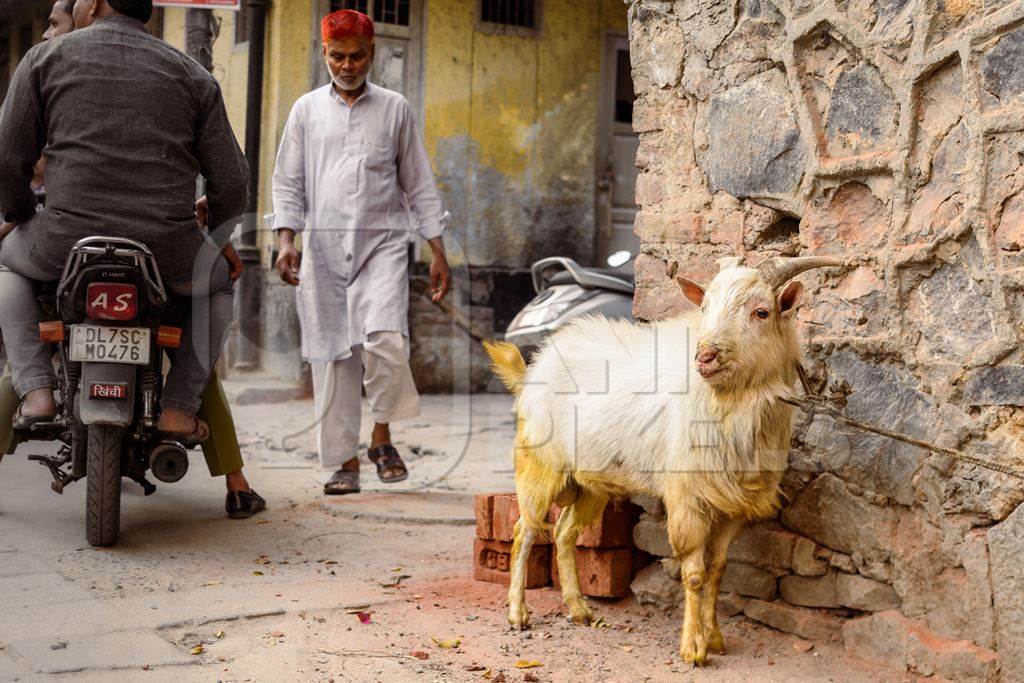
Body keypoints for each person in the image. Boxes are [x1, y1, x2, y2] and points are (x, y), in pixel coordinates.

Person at [0, 0, 264, 517]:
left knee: (8, 267)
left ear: (95, 3)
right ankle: (179, 409)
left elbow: (10, 154)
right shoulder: (192, 75)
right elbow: (232, 183)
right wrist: (219, 228)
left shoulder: (43, 60)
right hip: (165, 252)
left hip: (61, 245)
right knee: (219, 284)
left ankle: (35, 389)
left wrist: (17, 211)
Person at [272, 9, 451, 495]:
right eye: (337, 56)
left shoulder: (396, 109)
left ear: (371, 54)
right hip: (324, 250)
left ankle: (380, 435)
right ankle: (344, 462)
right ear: (324, 53)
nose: (346, 66)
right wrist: (286, 240)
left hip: (384, 247)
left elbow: (418, 182)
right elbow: (288, 182)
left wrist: (437, 248)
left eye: (355, 57)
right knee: (334, 357)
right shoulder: (306, 111)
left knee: (386, 343)